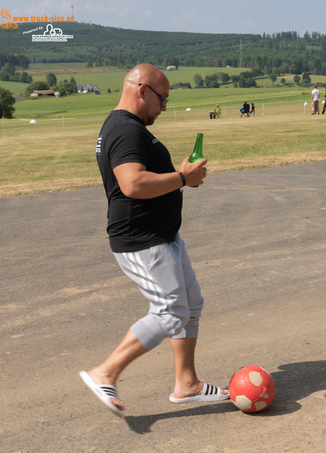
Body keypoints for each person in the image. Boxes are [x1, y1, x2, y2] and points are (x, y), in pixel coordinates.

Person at [80, 64, 229, 418]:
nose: (163, 107)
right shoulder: (126, 131)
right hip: (142, 240)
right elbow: (132, 184)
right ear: (142, 89)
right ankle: (106, 372)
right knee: (171, 311)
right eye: (162, 99)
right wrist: (181, 177)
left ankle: (187, 384)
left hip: (163, 235)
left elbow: (143, 176)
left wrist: (180, 176)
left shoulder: (127, 128)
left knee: (190, 304)